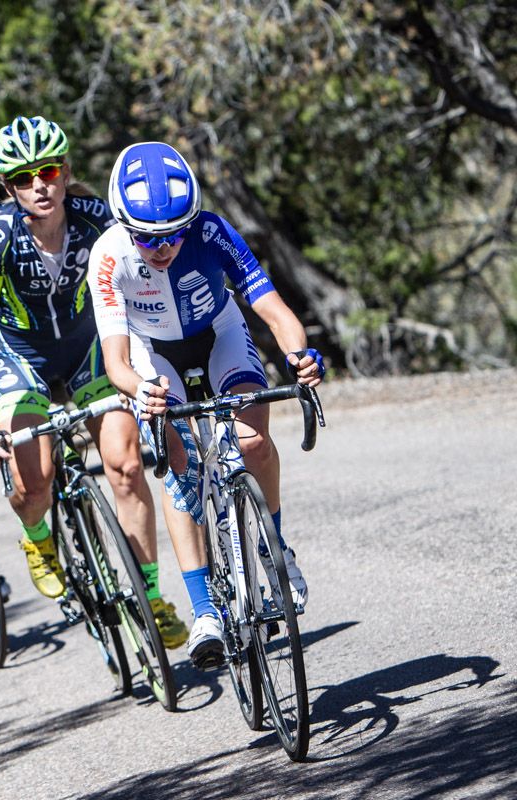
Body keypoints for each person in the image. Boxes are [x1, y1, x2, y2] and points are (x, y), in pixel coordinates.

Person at [87, 140, 325, 667]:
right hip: (153, 352)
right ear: (126, 226)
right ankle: (204, 610)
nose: (163, 247)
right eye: (148, 238)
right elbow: (116, 362)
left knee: (252, 438)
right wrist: (141, 392)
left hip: (218, 333)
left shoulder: (212, 231)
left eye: (174, 233)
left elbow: (277, 313)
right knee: (180, 468)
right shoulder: (107, 256)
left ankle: (273, 551)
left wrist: (300, 357)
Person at [0, 116, 187, 648]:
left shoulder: (96, 218)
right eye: (23, 178)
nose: (39, 185)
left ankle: (151, 595)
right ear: (8, 188)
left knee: (128, 465)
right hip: (22, 359)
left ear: (65, 172)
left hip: (89, 348)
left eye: (48, 171)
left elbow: (153, 260)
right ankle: (38, 536)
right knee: (35, 480)